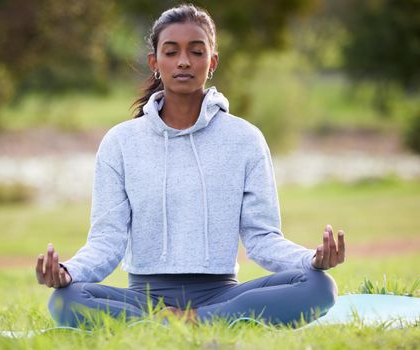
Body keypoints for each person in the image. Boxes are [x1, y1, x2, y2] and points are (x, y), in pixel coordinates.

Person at [36, 4, 345, 328]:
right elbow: (106, 242)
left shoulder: (245, 139)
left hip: (221, 296)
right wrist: (69, 272)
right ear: (154, 63)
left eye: (196, 52)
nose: (183, 61)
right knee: (65, 299)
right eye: (171, 52)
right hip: (144, 298)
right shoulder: (120, 142)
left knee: (319, 286)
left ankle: (183, 322)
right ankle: (194, 323)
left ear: (212, 62)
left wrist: (309, 260)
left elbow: (262, 238)